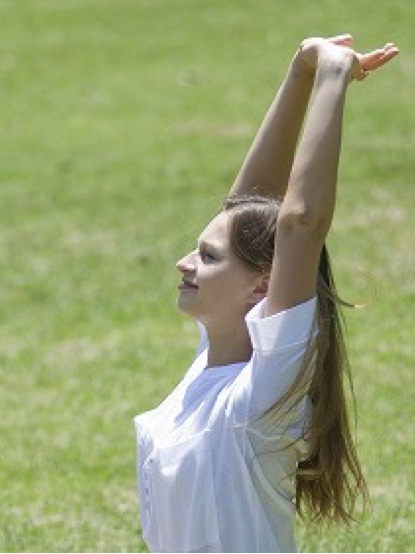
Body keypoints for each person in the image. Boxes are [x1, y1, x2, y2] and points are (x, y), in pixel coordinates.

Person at [134, 35, 400, 553]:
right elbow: (248, 208)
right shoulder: (211, 369)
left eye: (207, 257)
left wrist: (332, 75)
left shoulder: (260, 399)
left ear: (261, 285)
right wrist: (300, 72)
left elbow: (299, 223)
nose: (183, 263)